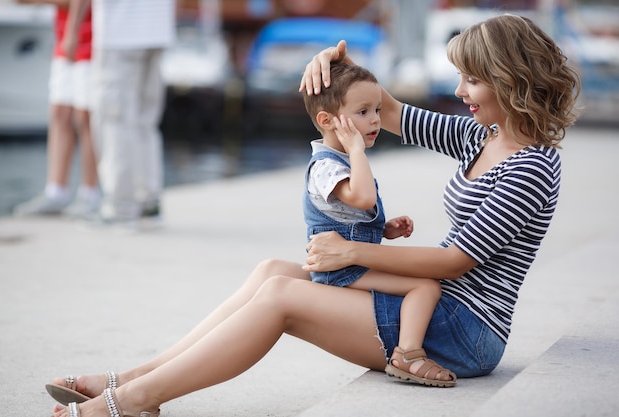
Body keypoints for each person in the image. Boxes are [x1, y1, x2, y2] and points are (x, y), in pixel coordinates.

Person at [45, 14, 580, 417]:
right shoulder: (479, 137)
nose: (459, 92)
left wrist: (351, 251)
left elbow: (456, 261)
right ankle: (133, 376)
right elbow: (388, 110)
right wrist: (332, 66)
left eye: (471, 80)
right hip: (435, 307)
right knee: (271, 273)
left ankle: (134, 400)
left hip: (465, 331)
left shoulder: (531, 167)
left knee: (283, 298)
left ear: (511, 80)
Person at [302, 62, 454, 386]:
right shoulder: (326, 166)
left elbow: (351, 213)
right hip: (340, 270)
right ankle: (408, 354)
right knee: (425, 286)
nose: (374, 120)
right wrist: (357, 149)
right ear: (327, 121)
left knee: (423, 284)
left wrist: (384, 229)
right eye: (363, 112)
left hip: (349, 261)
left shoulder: (343, 160)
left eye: (378, 110)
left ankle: (408, 349)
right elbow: (363, 198)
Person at [62, 0, 175, 227]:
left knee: (114, 122)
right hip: (158, 29)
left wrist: (72, 30)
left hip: (120, 34)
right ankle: (148, 204)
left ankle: (119, 209)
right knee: (145, 123)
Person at [13, 0, 100, 218]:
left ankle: (90, 194)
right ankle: (56, 192)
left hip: (89, 40)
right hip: (65, 39)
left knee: (85, 118)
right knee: (60, 113)